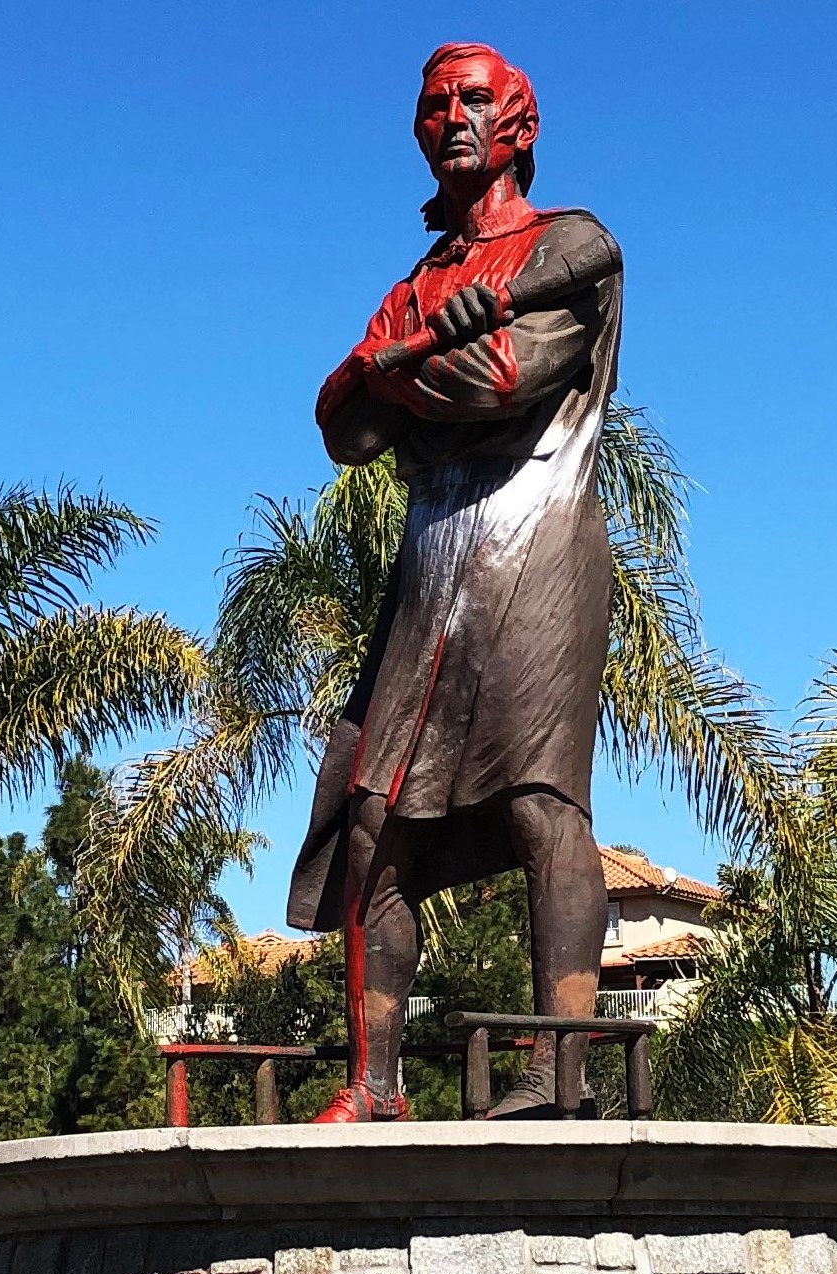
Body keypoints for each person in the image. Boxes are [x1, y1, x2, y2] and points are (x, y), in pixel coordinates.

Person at [289, 42, 623, 1121]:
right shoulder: (418, 283)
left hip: (538, 545)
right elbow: (345, 431)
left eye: (475, 99)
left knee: (539, 804)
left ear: (520, 123)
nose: (452, 118)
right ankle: (375, 1083)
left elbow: (502, 377)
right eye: (435, 104)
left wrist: (397, 367)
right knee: (373, 824)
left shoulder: (569, 246)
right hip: (434, 568)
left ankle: (559, 1069)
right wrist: (392, 367)